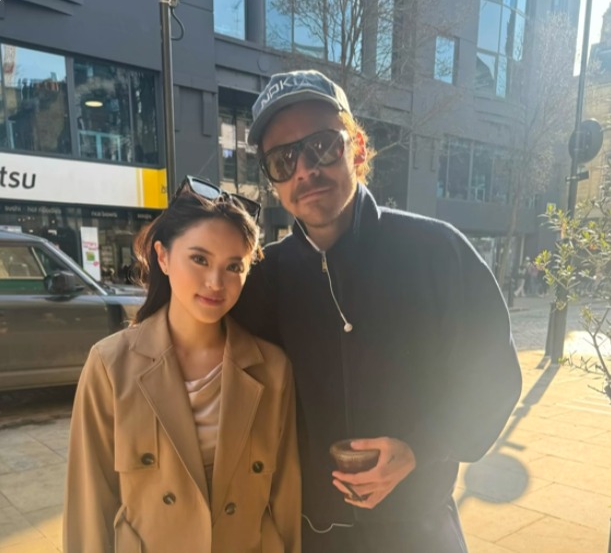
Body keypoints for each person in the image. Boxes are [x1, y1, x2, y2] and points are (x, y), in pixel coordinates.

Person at [232, 70, 522, 553]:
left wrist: (420, 448)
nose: (303, 169)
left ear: (358, 148)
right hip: (308, 537)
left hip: (421, 532)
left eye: (322, 145)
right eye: (282, 160)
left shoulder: (438, 251)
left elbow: (494, 378)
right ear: (274, 182)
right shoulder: (263, 280)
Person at [63, 177, 301, 553]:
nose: (214, 282)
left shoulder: (272, 369)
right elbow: (88, 504)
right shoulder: (111, 365)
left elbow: (286, 497)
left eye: (233, 267)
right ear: (163, 256)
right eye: (199, 259)